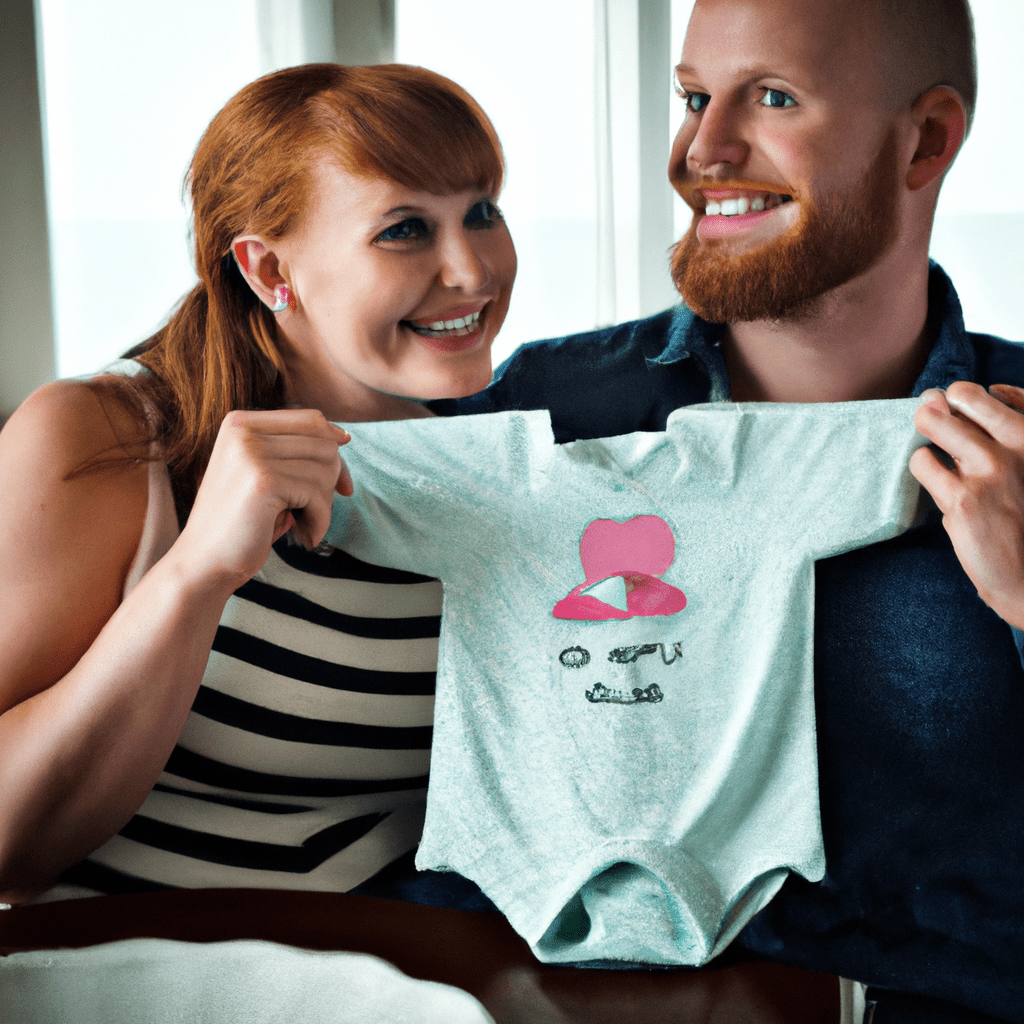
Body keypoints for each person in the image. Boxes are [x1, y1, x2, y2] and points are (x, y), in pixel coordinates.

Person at [441, 0, 1024, 1020]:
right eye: (693, 97)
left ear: (923, 141)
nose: (699, 150)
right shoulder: (544, 415)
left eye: (773, 96)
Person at [0, 62, 515, 904]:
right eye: (405, 230)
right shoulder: (106, 442)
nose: (472, 271)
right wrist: (198, 570)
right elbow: (7, 847)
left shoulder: (488, 467)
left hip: (382, 982)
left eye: (482, 213)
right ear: (269, 271)